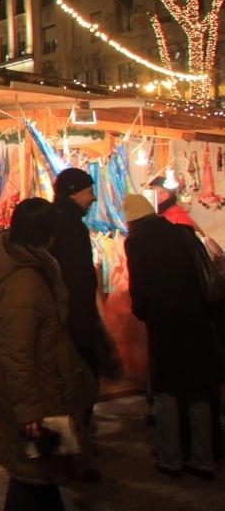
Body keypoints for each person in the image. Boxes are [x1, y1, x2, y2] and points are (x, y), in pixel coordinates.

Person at [0, 198, 97, 511]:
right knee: (32, 478)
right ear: (48, 234)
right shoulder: (25, 282)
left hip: (47, 392)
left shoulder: (35, 272)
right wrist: (28, 408)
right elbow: (16, 351)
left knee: (41, 476)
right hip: (38, 400)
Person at [123, 194, 221, 481]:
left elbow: (140, 287)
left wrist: (142, 311)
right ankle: (203, 459)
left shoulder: (137, 242)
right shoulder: (182, 233)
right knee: (198, 389)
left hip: (165, 322)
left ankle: (171, 458)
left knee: (167, 390)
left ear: (131, 221)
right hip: (197, 319)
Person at [49, 168, 109, 382]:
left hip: (64, 311)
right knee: (79, 373)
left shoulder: (55, 221)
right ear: (74, 193)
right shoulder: (71, 226)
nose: (92, 198)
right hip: (72, 312)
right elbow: (77, 277)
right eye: (89, 191)